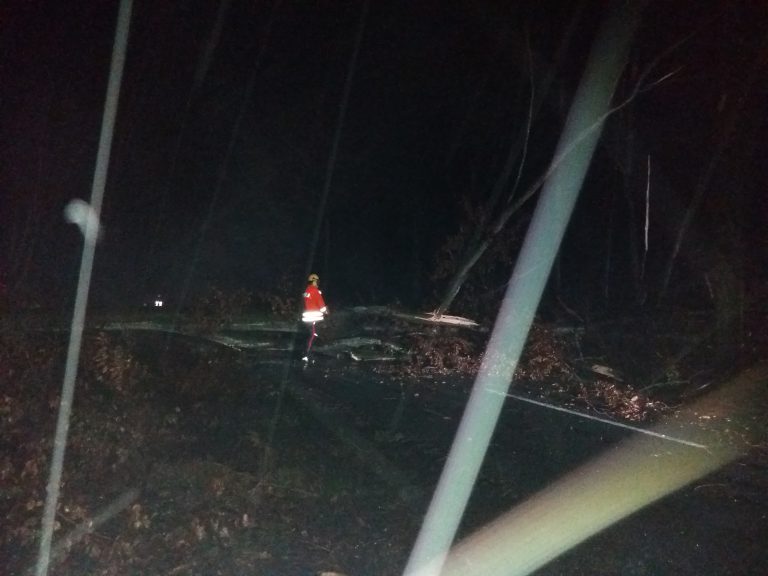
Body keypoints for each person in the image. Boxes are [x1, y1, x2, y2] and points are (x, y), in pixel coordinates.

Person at [302, 273, 327, 361]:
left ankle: (309, 353)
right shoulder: (315, 291)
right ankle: (307, 355)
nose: (317, 283)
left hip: (308, 317)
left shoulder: (307, 291)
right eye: (317, 282)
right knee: (313, 335)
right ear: (314, 282)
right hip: (314, 317)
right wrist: (325, 311)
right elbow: (321, 304)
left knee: (311, 335)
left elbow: (307, 299)